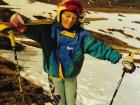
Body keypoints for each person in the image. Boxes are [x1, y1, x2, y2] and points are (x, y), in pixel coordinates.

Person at [9, 0, 135, 105]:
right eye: (67, 15)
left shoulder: (81, 36)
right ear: (59, 14)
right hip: (54, 77)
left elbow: (98, 48)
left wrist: (120, 58)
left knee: (71, 103)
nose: (70, 20)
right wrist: (20, 23)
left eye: (74, 18)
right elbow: (28, 28)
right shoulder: (47, 32)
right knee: (60, 103)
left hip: (71, 78)